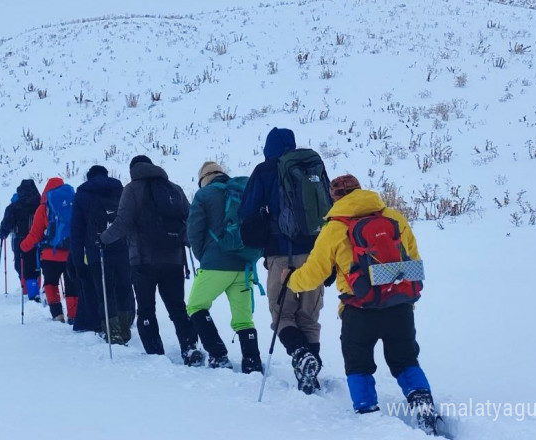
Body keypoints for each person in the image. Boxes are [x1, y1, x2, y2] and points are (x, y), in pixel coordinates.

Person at [283, 174, 439, 433]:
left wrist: (291, 280)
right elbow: (413, 259)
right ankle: (422, 404)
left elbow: (314, 274)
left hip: (359, 309)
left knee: (358, 365)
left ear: (334, 197)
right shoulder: (394, 217)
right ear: (360, 189)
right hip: (399, 305)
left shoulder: (334, 227)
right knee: (406, 361)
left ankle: (369, 416)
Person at [238, 127, 328, 393]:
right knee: (309, 317)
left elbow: (247, 213)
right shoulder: (313, 167)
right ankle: (310, 372)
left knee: (282, 315)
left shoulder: (265, 171)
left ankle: (301, 355)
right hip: (315, 255)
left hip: (281, 255)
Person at [100, 155, 202, 365]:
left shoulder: (132, 189)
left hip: (143, 260)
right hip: (174, 259)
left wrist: (102, 239)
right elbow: (191, 218)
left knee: (146, 308)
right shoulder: (174, 188)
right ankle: (190, 349)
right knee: (177, 307)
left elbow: (122, 223)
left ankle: (156, 354)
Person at [186, 162, 263, 373]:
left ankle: (218, 355)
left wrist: (204, 256)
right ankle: (252, 362)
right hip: (245, 264)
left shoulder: (204, 195)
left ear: (204, 179)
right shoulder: (243, 191)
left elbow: (194, 231)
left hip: (215, 265)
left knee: (196, 306)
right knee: (243, 318)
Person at [71, 165, 135, 343]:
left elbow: (77, 231)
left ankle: (111, 332)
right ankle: (124, 330)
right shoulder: (120, 190)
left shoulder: (83, 194)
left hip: (96, 251)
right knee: (123, 289)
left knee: (104, 292)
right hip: (122, 248)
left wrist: (77, 261)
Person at [20, 177, 78, 323]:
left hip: (50, 256)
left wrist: (23, 246)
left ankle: (57, 314)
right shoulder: (72, 204)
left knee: (51, 283)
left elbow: (35, 235)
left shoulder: (43, 208)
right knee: (72, 284)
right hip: (71, 253)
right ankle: (73, 315)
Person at [0, 180, 42, 300]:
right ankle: (36, 287)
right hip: (39, 239)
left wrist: (3, 233)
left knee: (21, 264)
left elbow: (7, 223)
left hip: (21, 240)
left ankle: (27, 289)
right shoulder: (41, 204)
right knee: (36, 264)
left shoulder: (15, 206)